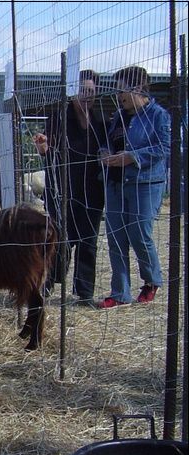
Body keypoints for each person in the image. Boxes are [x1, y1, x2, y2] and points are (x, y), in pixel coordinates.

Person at [96, 65, 170, 309]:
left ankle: (151, 280)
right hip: (115, 183)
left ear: (137, 88)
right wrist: (105, 153)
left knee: (140, 234)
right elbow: (109, 142)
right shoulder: (118, 116)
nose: (119, 96)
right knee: (116, 238)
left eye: (121, 90)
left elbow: (164, 149)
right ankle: (120, 293)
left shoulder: (158, 115)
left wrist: (132, 157)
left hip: (144, 184)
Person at [33, 69, 108, 306]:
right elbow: (47, 152)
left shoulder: (100, 121)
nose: (87, 95)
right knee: (60, 241)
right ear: (73, 92)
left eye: (91, 91)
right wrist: (43, 147)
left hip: (92, 192)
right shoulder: (58, 119)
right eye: (83, 91)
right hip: (61, 191)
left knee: (89, 241)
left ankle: (84, 293)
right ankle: (47, 284)